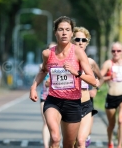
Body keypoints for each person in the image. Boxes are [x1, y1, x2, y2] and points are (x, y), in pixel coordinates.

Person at [29, 16, 97, 148]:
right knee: (55, 138)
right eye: (61, 29)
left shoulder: (78, 53)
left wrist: (76, 72)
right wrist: (33, 86)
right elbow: (43, 71)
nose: (64, 33)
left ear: (72, 33)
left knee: (68, 144)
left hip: (73, 103)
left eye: (67, 30)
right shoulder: (47, 54)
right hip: (53, 100)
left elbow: (93, 80)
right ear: (55, 32)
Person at [72, 26, 103, 148]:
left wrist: (95, 89)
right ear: (72, 41)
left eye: (83, 40)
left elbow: (100, 78)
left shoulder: (90, 62)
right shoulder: (67, 61)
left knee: (80, 141)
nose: (80, 42)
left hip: (86, 104)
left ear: (87, 43)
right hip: (70, 104)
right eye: (77, 39)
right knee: (71, 142)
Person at [100, 42, 122, 148]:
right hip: (111, 97)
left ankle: (119, 145)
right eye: (113, 51)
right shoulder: (108, 64)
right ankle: (110, 142)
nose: (116, 53)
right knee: (111, 124)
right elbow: (99, 78)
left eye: (118, 51)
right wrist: (108, 77)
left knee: (121, 120)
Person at [38, 42, 56, 148]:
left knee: (55, 124)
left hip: (58, 97)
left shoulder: (61, 64)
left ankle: (54, 143)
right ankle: (46, 146)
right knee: (46, 122)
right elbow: (39, 80)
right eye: (50, 49)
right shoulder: (42, 65)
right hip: (45, 96)